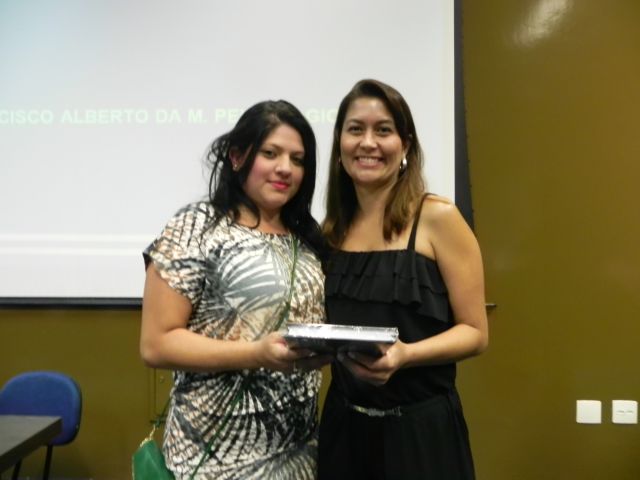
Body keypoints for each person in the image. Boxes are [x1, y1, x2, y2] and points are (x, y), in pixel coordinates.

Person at [140, 100, 331, 479]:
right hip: (214, 457)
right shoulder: (195, 227)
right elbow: (155, 345)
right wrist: (256, 354)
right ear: (237, 156)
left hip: (298, 456)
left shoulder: (308, 240)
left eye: (297, 159)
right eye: (270, 153)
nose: (285, 168)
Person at [318, 79, 489, 480]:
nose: (368, 142)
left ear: (405, 144)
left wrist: (406, 355)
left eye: (383, 130)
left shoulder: (438, 218)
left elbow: (475, 333)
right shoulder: (331, 231)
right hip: (344, 431)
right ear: (340, 143)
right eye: (355, 129)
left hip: (421, 435)